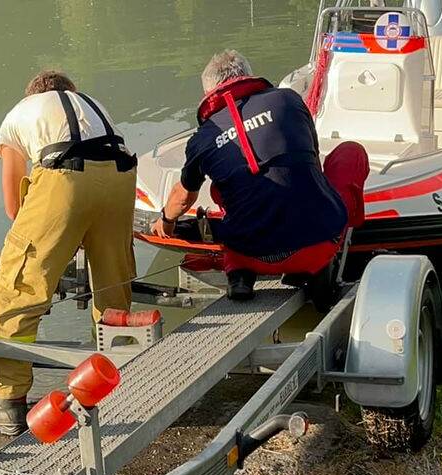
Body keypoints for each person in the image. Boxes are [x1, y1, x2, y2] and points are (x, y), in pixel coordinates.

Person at [0, 70, 137, 435]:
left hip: (65, 175)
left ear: (31, 95)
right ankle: (111, 373)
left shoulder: (20, 114)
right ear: (70, 92)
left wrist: (50, 239)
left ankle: (6, 402)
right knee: (113, 280)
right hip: (122, 175)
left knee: (18, 287)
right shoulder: (91, 106)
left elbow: (14, 206)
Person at [150, 50, 369, 303]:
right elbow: (312, 161)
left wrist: (165, 223)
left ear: (209, 93)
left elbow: (183, 197)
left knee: (221, 189)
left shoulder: (203, 137)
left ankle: (239, 275)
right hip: (315, 246)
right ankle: (328, 258)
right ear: (248, 76)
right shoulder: (288, 100)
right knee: (351, 153)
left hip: (248, 254)